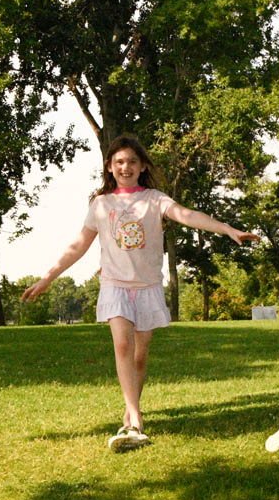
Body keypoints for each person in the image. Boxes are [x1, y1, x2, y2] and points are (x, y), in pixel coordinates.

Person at [21, 133, 259, 452]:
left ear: (143, 165)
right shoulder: (100, 204)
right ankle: (134, 417)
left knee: (140, 354)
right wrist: (48, 277)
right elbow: (78, 246)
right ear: (109, 167)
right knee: (122, 343)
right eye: (119, 161)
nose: (126, 166)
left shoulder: (155, 199)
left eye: (132, 161)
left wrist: (228, 229)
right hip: (114, 286)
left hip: (147, 288)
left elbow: (188, 216)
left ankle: (132, 408)